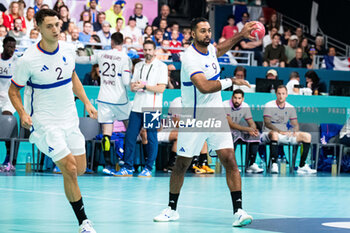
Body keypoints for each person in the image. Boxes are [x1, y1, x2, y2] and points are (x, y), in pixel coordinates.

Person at [153, 17, 256, 227]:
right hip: (194, 118)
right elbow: (204, 86)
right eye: (202, 31)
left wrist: (239, 35)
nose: (207, 34)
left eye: (209, 30)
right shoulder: (189, 58)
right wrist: (231, 81)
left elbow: (219, 50)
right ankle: (172, 209)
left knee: (229, 160)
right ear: (192, 34)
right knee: (181, 164)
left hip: (216, 114)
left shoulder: (209, 50)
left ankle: (239, 211)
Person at [8, 9, 97, 232]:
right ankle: (84, 222)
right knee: (69, 168)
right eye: (50, 26)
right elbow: (13, 91)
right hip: (46, 123)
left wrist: (86, 101)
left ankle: (69, 182)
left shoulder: (68, 48)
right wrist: (22, 113)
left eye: (58, 24)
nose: (56, 29)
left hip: (69, 118)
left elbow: (73, 76)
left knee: (81, 168)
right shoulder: (28, 59)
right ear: (38, 28)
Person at [76, 32, 132, 175]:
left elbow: (85, 60)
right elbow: (126, 82)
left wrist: (70, 57)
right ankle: (126, 163)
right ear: (123, 42)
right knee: (130, 131)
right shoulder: (125, 58)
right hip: (120, 100)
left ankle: (108, 165)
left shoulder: (102, 54)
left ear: (112, 42)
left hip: (104, 98)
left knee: (106, 133)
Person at [114, 40, 168, 177]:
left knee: (151, 137)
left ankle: (148, 168)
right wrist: (135, 86)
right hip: (137, 107)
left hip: (152, 107)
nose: (147, 53)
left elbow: (161, 88)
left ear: (155, 51)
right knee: (130, 136)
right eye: (145, 50)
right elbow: (132, 87)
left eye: (150, 50)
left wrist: (144, 86)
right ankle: (128, 167)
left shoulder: (161, 66)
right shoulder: (138, 66)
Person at [261, 85, 316, 174]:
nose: (281, 96)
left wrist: (294, 131)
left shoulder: (290, 107)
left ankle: (302, 166)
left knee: (307, 136)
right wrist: (279, 131)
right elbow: (267, 123)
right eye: (279, 93)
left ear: (286, 94)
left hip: (285, 134)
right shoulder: (269, 105)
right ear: (276, 94)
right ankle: (274, 164)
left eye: (283, 94)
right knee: (274, 134)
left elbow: (295, 124)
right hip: (268, 134)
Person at [223, 89, 263, 173]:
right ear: (232, 97)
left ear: (243, 99)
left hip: (237, 129)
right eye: (235, 98)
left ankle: (251, 164)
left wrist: (253, 130)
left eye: (239, 98)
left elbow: (251, 121)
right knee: (236, 134)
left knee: (256, 135)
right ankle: (231, 165)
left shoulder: (245, 106)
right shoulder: (225, 104)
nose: (237, 100)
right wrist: (248, 129)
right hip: (224, 130)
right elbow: (231, 124)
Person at [0, 37, 17, 172]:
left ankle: (9, 160)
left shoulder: (17, 61)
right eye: (9, 46)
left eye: (13, 47)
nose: (11, 49)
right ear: (3, 46)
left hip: (9, 99)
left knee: (7, 120)